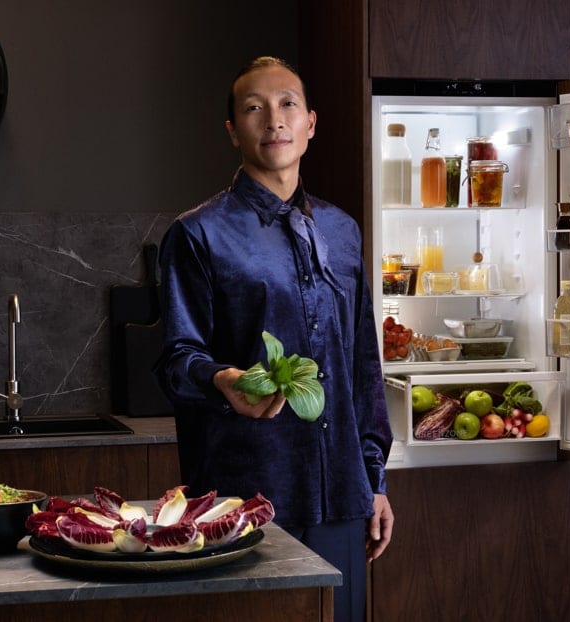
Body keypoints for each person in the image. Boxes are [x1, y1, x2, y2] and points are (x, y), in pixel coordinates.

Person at [155, 56, 394, 622]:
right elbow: (174, 359)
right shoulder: (196, 234)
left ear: (311, 123)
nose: (274, 120)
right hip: (244, 496)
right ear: (233, 130)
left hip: (342, 493)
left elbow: (363, 361)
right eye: (254, 108)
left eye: (288, 104)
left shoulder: (341, 230)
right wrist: (221, 379)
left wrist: (374, 481)